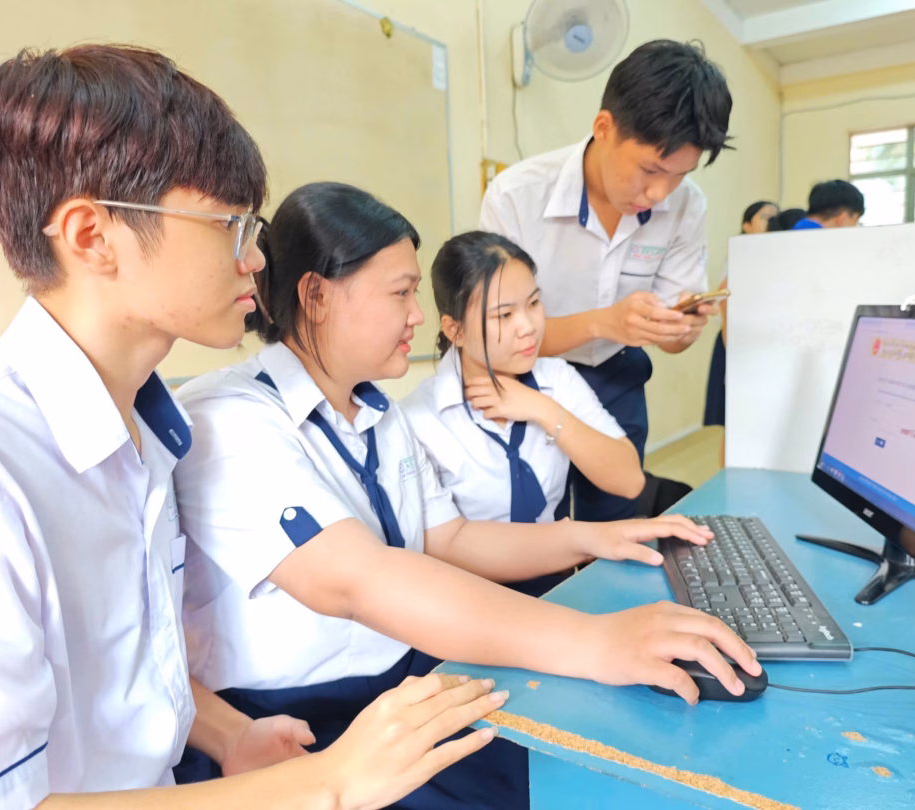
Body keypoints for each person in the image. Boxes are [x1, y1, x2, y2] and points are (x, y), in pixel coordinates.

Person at [0, 44, 505, 810]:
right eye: (229, 225)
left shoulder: (148, 429)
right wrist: (328, 782)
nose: (254, 259)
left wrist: (228, 735)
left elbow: (119, 672)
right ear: (91, 237)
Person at [171, 181, 762, 808]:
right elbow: (356, 581)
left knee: (577, 755)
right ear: (316, 296)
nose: (418, 316)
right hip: (298, 720)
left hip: (408, 675)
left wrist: (593, 537)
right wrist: (596, 640)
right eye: (400, 293)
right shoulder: (231, 416)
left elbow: (449, 538)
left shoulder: (377, 411)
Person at [479, 40, 733, 523]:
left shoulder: (687, 205)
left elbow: (674, 343)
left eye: (679, 175)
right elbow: (495, 336)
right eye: (650, 169)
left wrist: (679, 330)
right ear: (603, 128)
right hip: (526, 375)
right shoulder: (516, 197)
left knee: (619, 519)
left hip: (619, 376)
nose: (658, 192)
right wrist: (604, 323)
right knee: (537, 524)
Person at [401, 231, 645, 596]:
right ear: (455, 330)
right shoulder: (418, 419)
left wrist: (543, 409)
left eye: (533, 303)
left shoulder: (557, 379)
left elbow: (629, 480)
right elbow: (438, 548)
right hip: (471, 600)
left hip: (560, 586)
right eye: (505, 314)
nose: (528, 326)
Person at [703, 201, 778, 432]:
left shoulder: (773, 255)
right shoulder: (739, 255)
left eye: (775, 217)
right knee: (733, 423)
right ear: (746, 225)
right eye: (765, 217)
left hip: (759, 344)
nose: (771, 221)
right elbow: (726, 301)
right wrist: (732, 351)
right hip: (735, 342)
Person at [791, 180, 864, 229]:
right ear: (843, 218)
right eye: (855, 221)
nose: (854, 227)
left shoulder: (792, 231)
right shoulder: (824, 243)